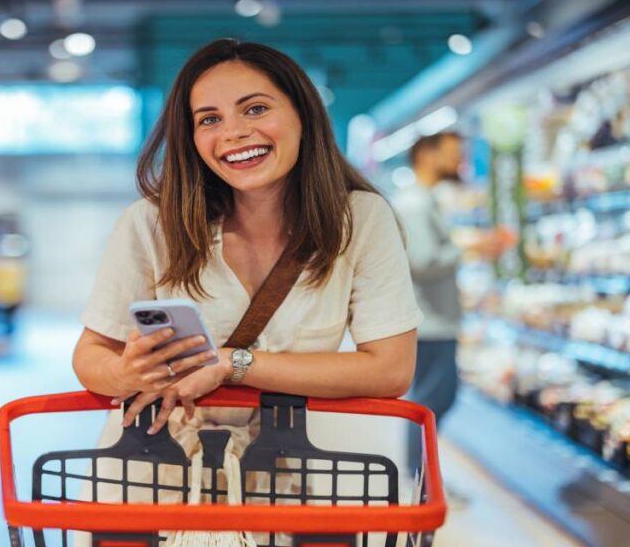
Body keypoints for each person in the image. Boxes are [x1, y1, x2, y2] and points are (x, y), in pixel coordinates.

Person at [71, 38, 424, 526]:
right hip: (156, 477)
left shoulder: (360, 219)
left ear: (303, 114)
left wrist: (233, 364)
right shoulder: (151, 223)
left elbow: (390, 370)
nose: (234, 133)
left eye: (255, 108)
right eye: (209, 119)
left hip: (300, 476)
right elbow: (90, 355)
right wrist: (127, 375)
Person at [393, 132, 509, 480]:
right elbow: (424, 260)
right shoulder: (415, 203)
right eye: (453, 154)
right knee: (431, 402)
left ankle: (421, 477)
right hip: (429, 321)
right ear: (427, 156)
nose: (460, 162)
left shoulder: (423, 201)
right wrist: (472, 247)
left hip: (434, 319)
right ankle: (419, 481)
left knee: (433, 400)